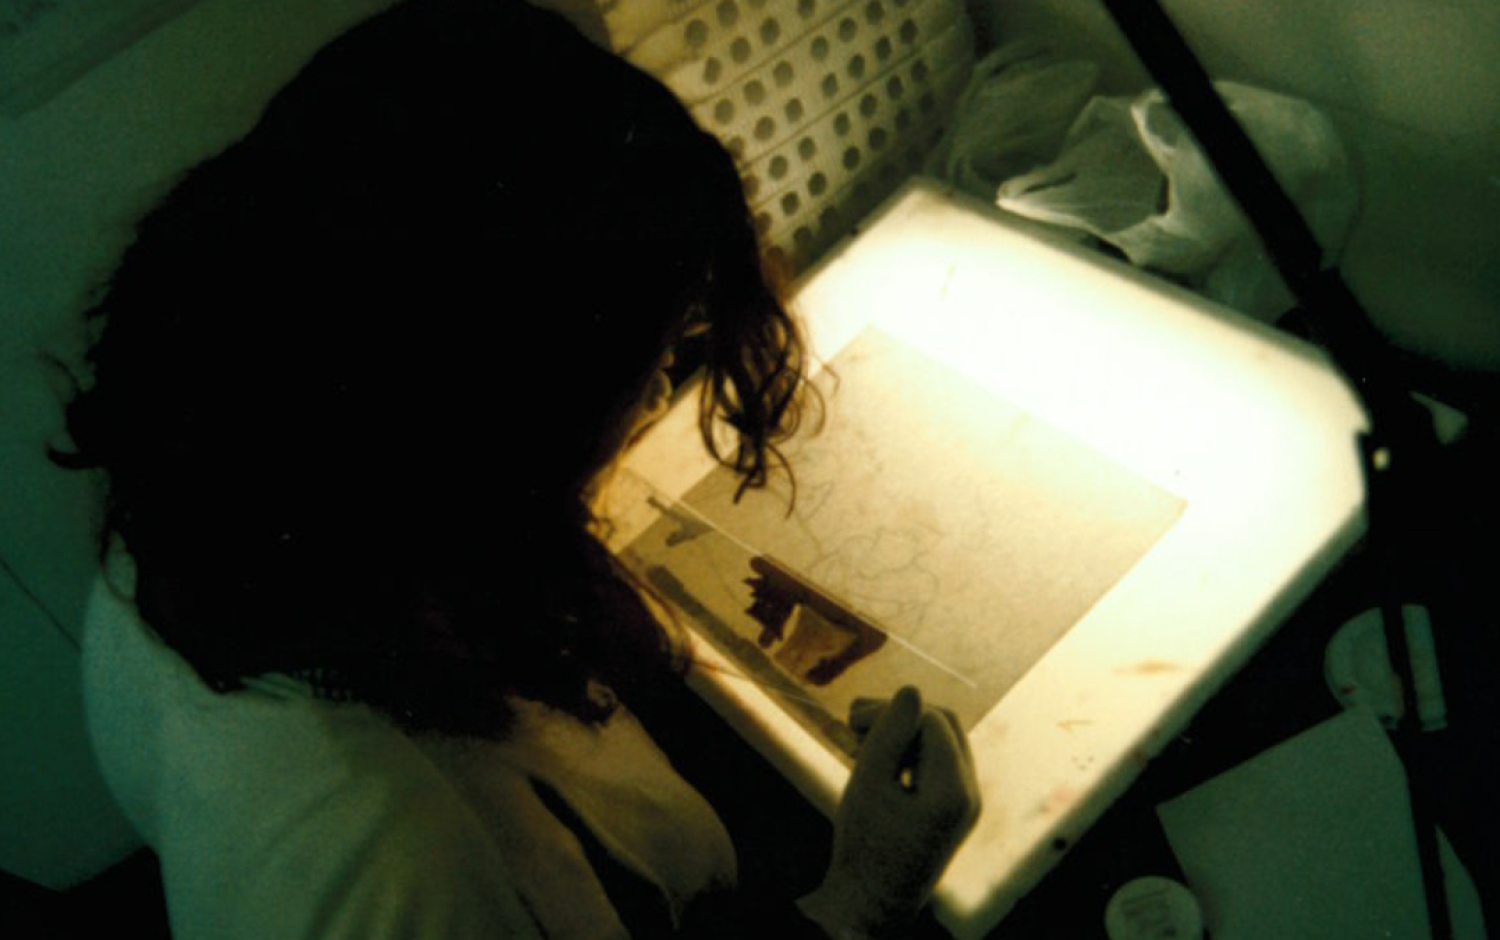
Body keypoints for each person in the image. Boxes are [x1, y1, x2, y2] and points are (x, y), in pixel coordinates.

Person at [58, 1, 980, 937]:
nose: (662, 391)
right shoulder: (405, 875)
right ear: (490, 441)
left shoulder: (194, 508)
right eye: (645, 369)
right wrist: (860, 900)